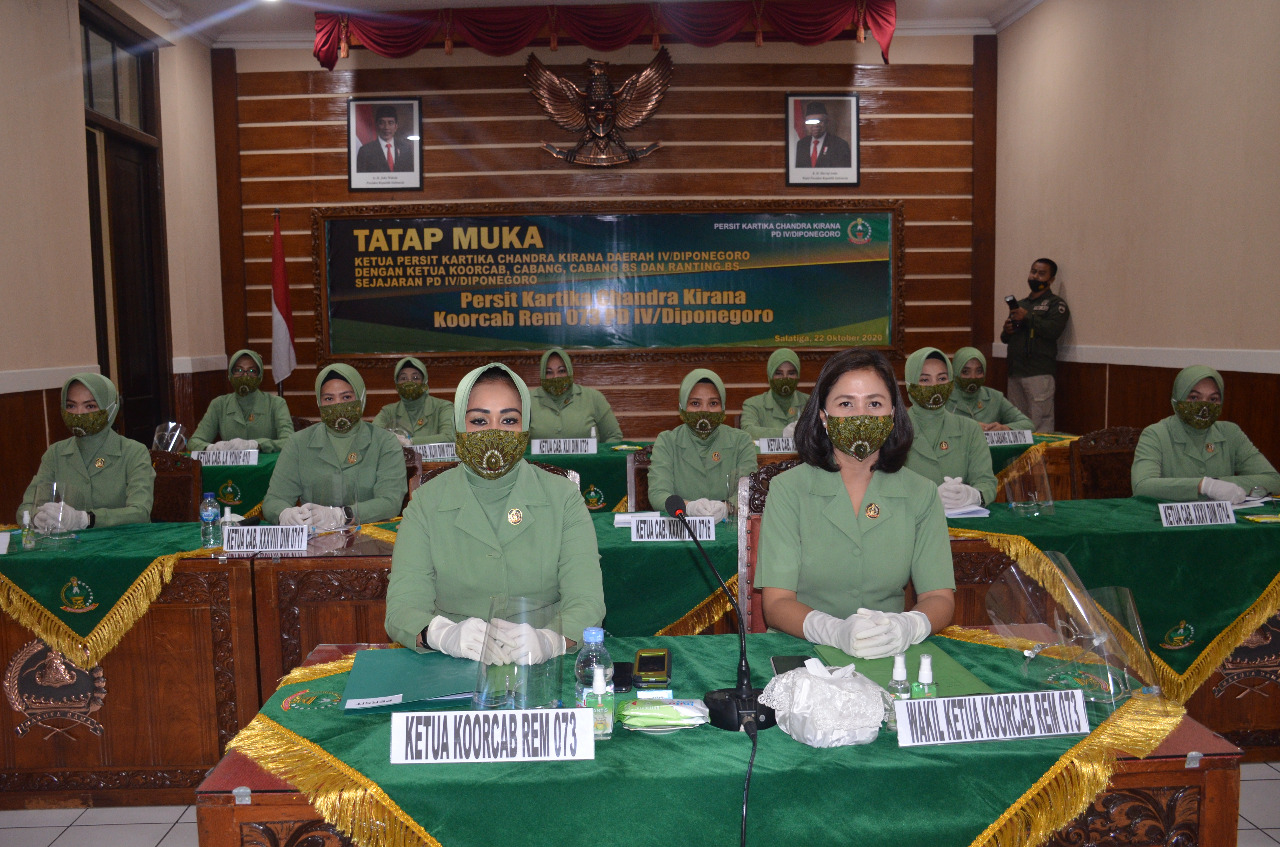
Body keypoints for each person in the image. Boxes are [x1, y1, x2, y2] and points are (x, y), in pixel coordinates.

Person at [384, 363, 606, 659]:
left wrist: (551, 641)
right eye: (478, 421)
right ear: (459, 425)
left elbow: (587, 601)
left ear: (525, 426)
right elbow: (402, 607)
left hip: (544, 668)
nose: (494, 433)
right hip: (450, 663)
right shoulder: (426, 502)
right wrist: (441, 635)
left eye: (509, 420)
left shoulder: (563, 498)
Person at [755, 348, 955, 659]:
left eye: (874, 403)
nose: (861, 416)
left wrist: (908, 626)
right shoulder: (788, 489)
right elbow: (776, 604)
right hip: (803, 651)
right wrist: (833, 631)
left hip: (891, 652)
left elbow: (939, 597)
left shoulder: (921, 493)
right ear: (824, 416)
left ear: (892, 414)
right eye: (846, 403)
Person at [263, 364, 407, 526]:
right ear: (319, 402)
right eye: (329, 399)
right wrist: (284, 513)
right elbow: (274, 500)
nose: (338, 405)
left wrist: (342, 515)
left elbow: (390, 502)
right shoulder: (298, 443)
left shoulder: (384, 442)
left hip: (371, 536)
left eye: (346, 397)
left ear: (361, 398)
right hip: (315, 539)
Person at [17, 373, 154, 528]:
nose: (78, 413)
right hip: (72, 545)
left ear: (110, 409)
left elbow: (140, 512)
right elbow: (26, 508)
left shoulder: (134, 452)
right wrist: (38, 519)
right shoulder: (55, 453)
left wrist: (86, 519)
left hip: (124, 544)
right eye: (71, 405)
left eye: (90, 406)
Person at [1131, 365, 1280, 502]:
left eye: (1213, 399)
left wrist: (1219, 484)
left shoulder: (1230, 433)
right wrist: (1203, 486)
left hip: (1220, 523)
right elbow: (1142, 486)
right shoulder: (1156, 434)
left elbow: (1274, 480)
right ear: (1177, 399)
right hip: (1168, 523)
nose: (1204, 406)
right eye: (1194, 398)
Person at [647, 368, 757, 521]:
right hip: (683, 530)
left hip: (729, 532)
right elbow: (658, 494)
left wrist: (727, 507)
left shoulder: (741, 441)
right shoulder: (667, 441)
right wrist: (688, 507)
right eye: (695, 403)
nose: (705, 410)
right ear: (682, 408)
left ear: (723, 408)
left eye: (713, 403)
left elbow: (749, 492)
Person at [903, 347, 998, 509]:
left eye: (942, 379)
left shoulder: (970, 429)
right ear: (909, 383)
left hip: (962, 525)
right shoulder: (893, 430)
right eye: (924, 380)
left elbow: (986, 482)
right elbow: (881, 486)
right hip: (910, 525)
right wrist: (927, 497)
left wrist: (974, 495)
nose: (935, 386)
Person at [1001, 258, 1069, 431]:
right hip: (1015, 372)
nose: (1035, 276)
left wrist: (1028, 317)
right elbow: (1005, 338)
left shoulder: (1056, 304)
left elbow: (1053, 330)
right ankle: (1019, 459)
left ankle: (1039, 459)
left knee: (1040, 424)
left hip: (1038, 373)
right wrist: (1007, 330)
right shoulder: (1021, 304)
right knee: (1016, 425)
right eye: (1033, 272)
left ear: (1051, 279)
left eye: (1041, 273)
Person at [188, 349, 294, 452]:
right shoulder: (219, 404)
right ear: (230, 375)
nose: (245, 375)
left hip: (266, 468)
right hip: (232, 469)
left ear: (260, 376)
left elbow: (289, 441)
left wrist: (258, 445)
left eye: (252, 371)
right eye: (238, 370)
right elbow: (194, 442)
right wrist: (211, 448)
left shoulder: (276, 404)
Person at [528, 347, 624, 442]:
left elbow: (614, 436)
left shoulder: (593, 398)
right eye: (549, 372)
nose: (555, 377)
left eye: (561, 371)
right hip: (537, 458)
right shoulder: (526, 401)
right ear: (542, 375)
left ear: (570, 371)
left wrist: (599, 457)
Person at [945, 346, 1034, 432]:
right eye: (965, 372)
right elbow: (933, 427)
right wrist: (970, 427)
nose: (973, 377)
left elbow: (1028, 424)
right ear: (955, 371)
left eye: (979, 371)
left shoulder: (995, 397)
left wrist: (1004, 428)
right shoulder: (944, 397)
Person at [371, 357, 454, 446]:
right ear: (396, 385)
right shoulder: (388, 411)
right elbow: (372, 435)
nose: (409, 382)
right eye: (403, 378)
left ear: (424, 383)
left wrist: (410, 442)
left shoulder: (443, 407)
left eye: (415, 378)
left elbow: (450, 437)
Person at [740, 348, 810, 439]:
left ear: (798, 375)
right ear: (770, 376)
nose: (785, 378)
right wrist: (783, 434)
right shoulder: (753, 404)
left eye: (791, 373)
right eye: (778, 373)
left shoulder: (810, 402)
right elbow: (748, 431)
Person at [355, 104, 414, 173]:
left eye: (390, 123)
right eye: (382, 123)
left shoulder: (406, 148)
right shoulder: (365, 151)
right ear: (376, 126)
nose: (386, 127)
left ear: (396, 126)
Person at [793, 101, 852, 169]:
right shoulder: (801, 144)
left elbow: (843, 173)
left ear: (827, 122)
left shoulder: (840, 145)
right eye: (811, 122)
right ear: (805, 124)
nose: (815, 125)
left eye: (820, 121)